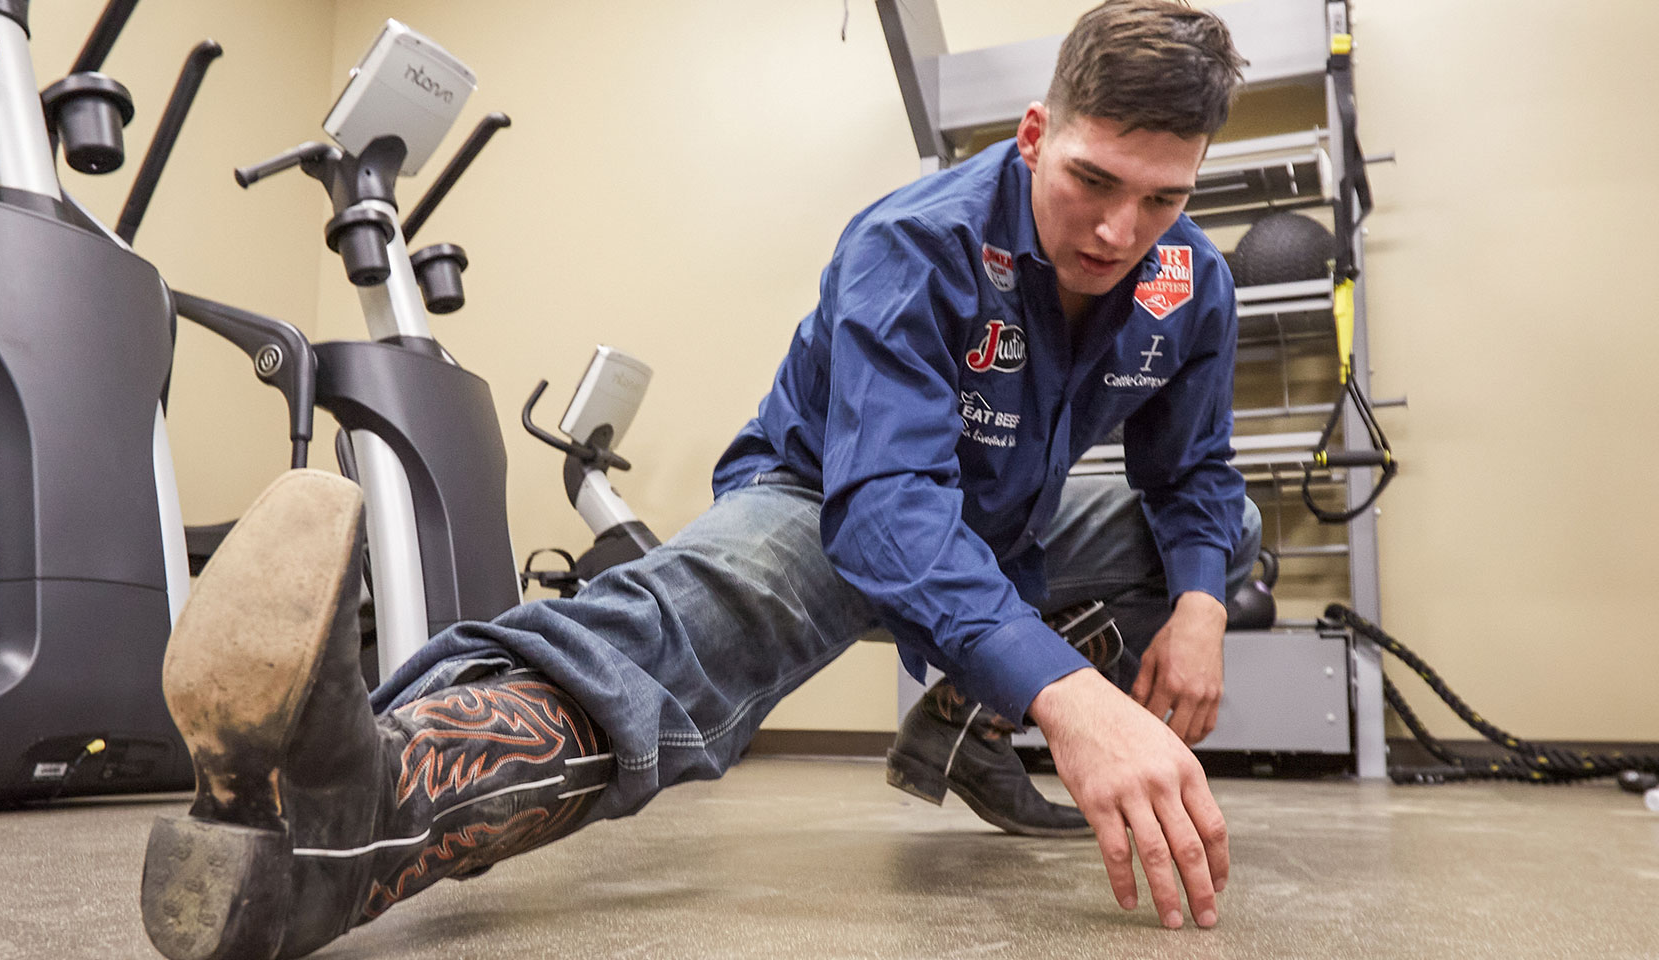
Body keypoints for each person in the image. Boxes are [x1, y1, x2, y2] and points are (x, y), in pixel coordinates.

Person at [137, 3, 1259, 958]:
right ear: (1032, 135)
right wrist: (1073, 701)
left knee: (1223, 532)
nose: (1120, 230)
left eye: (1163, 199)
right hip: (830, 496)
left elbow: (1193, 474)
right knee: (691, 627)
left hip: (1007, 521)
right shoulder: (915, 244)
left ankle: (964, 725)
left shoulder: (1187, 283)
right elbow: (886, 512)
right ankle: (360, 808)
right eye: (1092, 180)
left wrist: (1201, 604)